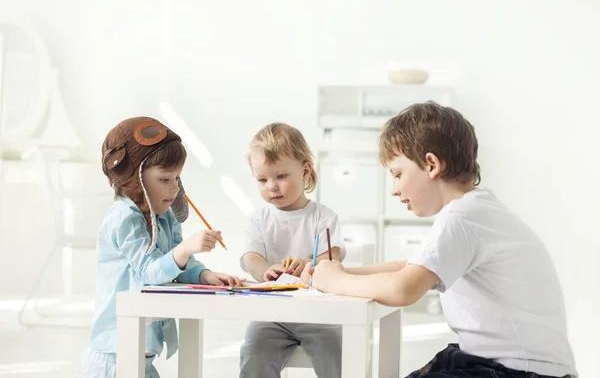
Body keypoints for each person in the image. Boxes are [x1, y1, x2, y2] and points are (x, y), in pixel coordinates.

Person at [304, 102, 577, 378]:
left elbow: (403, 288)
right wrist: (341, 270)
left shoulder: (462, 218)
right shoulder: (473, 211)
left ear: (432, 164)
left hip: (519, 372)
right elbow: (412, 266)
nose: (394, 190)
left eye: (398, 174)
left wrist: (335, 281)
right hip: (501, 363)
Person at [81, 116, 242, 377]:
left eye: (177, 178)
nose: (175, 188)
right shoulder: (125, 217)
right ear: (137, 180)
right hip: (115, 359)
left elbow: (176, 262)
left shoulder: (164, 215)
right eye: (165, 179)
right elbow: (149, 270)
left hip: (140, 360)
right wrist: (186, 248)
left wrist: (203, 275)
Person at [239, 122, 346, 378]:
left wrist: (310, 263)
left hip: (320, 315)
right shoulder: (259, 219)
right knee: (254, 354)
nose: (272, 186)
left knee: (338, 356)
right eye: (262, 179)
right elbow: (250, 258)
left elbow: (332, 257)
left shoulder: (323, 216)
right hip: (272, 314)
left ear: (305, 170)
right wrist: (266, 270)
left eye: (281, 176)